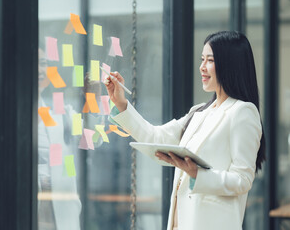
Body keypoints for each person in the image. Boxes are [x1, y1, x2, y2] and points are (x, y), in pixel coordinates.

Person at [104, 31, 265, 230]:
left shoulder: (242, 112)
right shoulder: (198, 112)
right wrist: (121, 103)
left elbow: (242, 180)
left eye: (210, 60)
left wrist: (198, 173)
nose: (202, 67)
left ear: (230, 64)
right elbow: (155, 136)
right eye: (202, 59)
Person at [38, 48, 82, 230]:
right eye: (34, 64)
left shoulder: (60, 110)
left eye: (43, 63)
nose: (40, 70)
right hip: (29, 201)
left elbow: (93, 138)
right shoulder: (9, 110)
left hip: (61, 204)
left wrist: (93, 102)